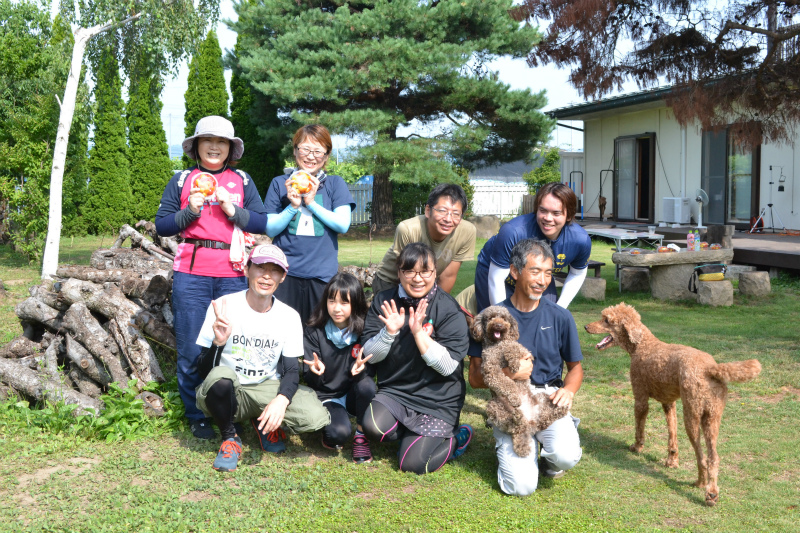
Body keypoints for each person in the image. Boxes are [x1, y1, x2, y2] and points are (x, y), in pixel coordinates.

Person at [155, 115, 268, 440]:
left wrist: (234, 212)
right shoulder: (182, 180)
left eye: (222, 142)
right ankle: (196, 414)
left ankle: (232, 411)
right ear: (197, 146)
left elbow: (260, 223)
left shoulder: (241, 180)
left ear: (231, 149)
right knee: (192, 346)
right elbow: (162, 225)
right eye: (208, 141)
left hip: (233, 275)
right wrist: (190, 211)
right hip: (191, 274)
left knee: (233, 345)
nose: (215, 147)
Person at [194, 244, 331, 472]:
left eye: (274, 270)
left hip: (264, 387)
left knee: (314, 417)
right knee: (220, 378)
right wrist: (218, 343)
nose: (266, 276)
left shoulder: (289, 316)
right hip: (229, 390)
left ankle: (263, 423)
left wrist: (281, 401)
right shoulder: (224, 307)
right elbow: (202, 371)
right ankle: (230, 437)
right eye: (260, 268)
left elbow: (290, 370)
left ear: (283, 277)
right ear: (246, 270)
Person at [468, 239, 583, 496]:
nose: (543, 280)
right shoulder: (492, 318)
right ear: (515, 271)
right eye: (535, 271)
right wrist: (509, 375)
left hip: (548, 398)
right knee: (521, 487)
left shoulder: (560, 316)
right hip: (510, 405)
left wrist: (569, 390)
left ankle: (550, 453)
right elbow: (474, 378)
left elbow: (575, 367)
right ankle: (513, 451)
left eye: (548, 273)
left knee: (566, 456)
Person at [360, 242, 473, 475]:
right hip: (397, 392)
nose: (417, 278)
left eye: (425, 271)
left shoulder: (449, 309)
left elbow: (447, 366)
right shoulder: (384, 301)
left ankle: (455, 437)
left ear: (435, 273)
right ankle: (415, 434)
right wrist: (388, 332)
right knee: (373, 427)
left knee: (411, 465)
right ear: (399, 272)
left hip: (438, 400)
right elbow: (370, 356)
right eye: (409, 271)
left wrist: (419, 334)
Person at [263, 125, 355, 323]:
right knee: (283, 330)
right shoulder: (280, 183)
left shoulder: (334, 184)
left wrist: (311, 203)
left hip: (322, 275)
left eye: (318, 151)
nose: (311, 156)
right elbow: (270, 228)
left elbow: (342, 224)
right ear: (295, 151)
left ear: (327, 155)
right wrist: (292, 207)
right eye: (305, 149)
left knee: (317, 333)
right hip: (285, 274)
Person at [474, 182, 592, 312]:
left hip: (536, 273)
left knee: (547, 318)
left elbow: (577, 273)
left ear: (568, 215)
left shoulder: (580, 240)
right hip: (496, 272)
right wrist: (501, 318)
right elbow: (496, 278)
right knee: (496, 324)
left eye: (556, 213)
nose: (548, 218)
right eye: (543, 211)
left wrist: (560, 308)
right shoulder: (513, 232)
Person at [303, 272, 377, 463]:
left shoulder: (363, 331)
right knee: (338, 434)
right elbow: (311, 379)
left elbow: (372, 370)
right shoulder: (314, 331)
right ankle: (331, 423)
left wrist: (363, 370)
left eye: (344, 303)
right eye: (332, 301)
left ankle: (361, 435)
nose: (337, 308)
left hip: (352, 393)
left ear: (355, 304)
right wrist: (315, 371)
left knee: (367, 385)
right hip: (327, 396)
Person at [372, 183, 476, 294]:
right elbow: (405, 274)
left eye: (456, 213)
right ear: (428, 210)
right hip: (391, 281)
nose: (448, 219)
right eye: (442, 211)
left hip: (424, 283)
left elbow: (448, 276)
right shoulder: (408, 229)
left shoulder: (467, 232)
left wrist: (436, 306)